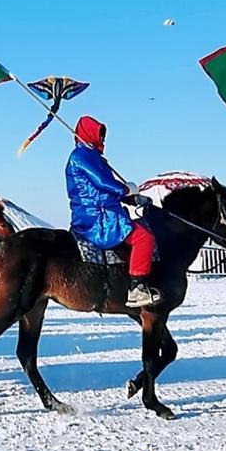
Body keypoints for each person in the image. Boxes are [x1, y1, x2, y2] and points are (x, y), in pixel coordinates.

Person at [66, 115, 158, 308]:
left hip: (99, 209)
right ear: (89, 134)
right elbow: (102, 183)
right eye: (100, 134)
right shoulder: (81, 156)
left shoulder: (91, 156)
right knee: (144, 238)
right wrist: (127, 189)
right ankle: (137, 288)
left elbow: (100, 189)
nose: (102, 139)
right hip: (97, 216)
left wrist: (130, 199)